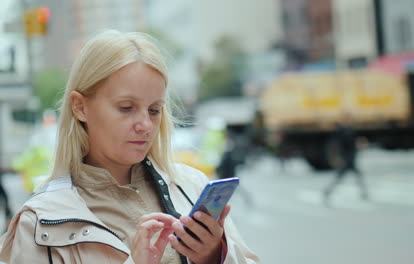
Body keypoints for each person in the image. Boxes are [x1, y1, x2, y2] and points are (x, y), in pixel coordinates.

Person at [0, 30, 259, 264]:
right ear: (80, 107)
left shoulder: (191, 186)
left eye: (154, 110)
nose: (145, 124)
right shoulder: (38, 222)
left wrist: (215, 256)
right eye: (126, 108)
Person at [323, 113, 368, 204]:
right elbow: (344, 145)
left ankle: (363, 192)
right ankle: (328, 191)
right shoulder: (342, 131)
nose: (349, 121)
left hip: (350, 157)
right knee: (341, 177)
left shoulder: (347, 130)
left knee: (355, 176)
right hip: (347, 157)